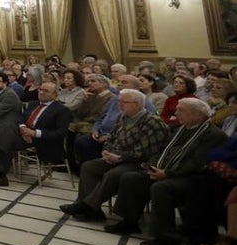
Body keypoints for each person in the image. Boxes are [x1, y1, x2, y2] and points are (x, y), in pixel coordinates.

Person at [107, 97, 226, 245]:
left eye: (181, 110)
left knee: (161, 188)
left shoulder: (213, 135)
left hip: (192, 177)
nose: (176, 113)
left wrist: (168, 173)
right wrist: (153, 166)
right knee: (132, 177)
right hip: (166, 170)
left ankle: (166, 237)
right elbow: (162, 149)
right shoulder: (179, 128)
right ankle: (129, 221)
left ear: (198, 115)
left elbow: (196, 163)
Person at [59, 89, 168, 222]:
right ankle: (92, 209)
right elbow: (111, 137)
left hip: (139, 162)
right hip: (117, 157)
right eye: (119, 101)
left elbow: (144, 151)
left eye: (124, 102)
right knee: (89, 166)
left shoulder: (152, 122)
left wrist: (120, 157)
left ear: (137, 104)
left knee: (114, 174)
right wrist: (106, 151)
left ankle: (86, 206)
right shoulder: (123, 117)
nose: (119, 105)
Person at [0, 81, 74, 187]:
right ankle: (0, 169)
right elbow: (21, 118)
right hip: (24, 134)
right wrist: (24, 129)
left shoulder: (62, 110)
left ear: (55, 95)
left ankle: (0, 166)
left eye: (46, 91)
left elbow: (60, 133)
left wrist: (35, 133)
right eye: (40, 89)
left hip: (43, 139)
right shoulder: (33, 104)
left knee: (8, 141)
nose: (41, 92)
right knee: (9, 126)